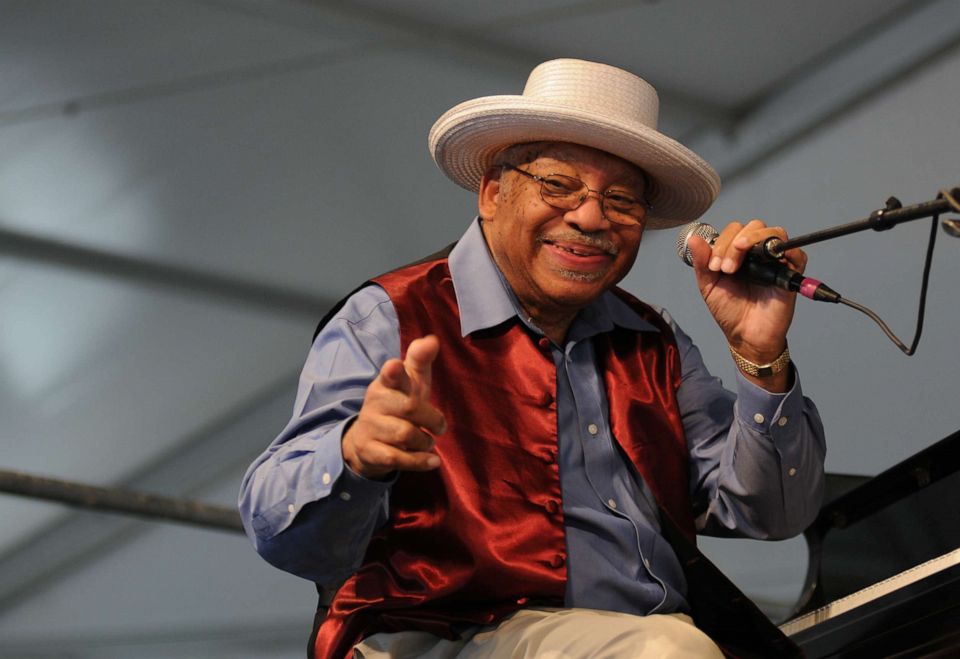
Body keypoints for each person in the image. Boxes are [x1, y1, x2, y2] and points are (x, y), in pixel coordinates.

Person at [239, 58, 826, 659]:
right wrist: (355, 456)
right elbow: (276, 528)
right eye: (559, 185)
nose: (591, 216)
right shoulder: (387, 318)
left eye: (621, 200)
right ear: (493, 192)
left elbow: (777, 514)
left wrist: (761, 355)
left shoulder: (653, 340)